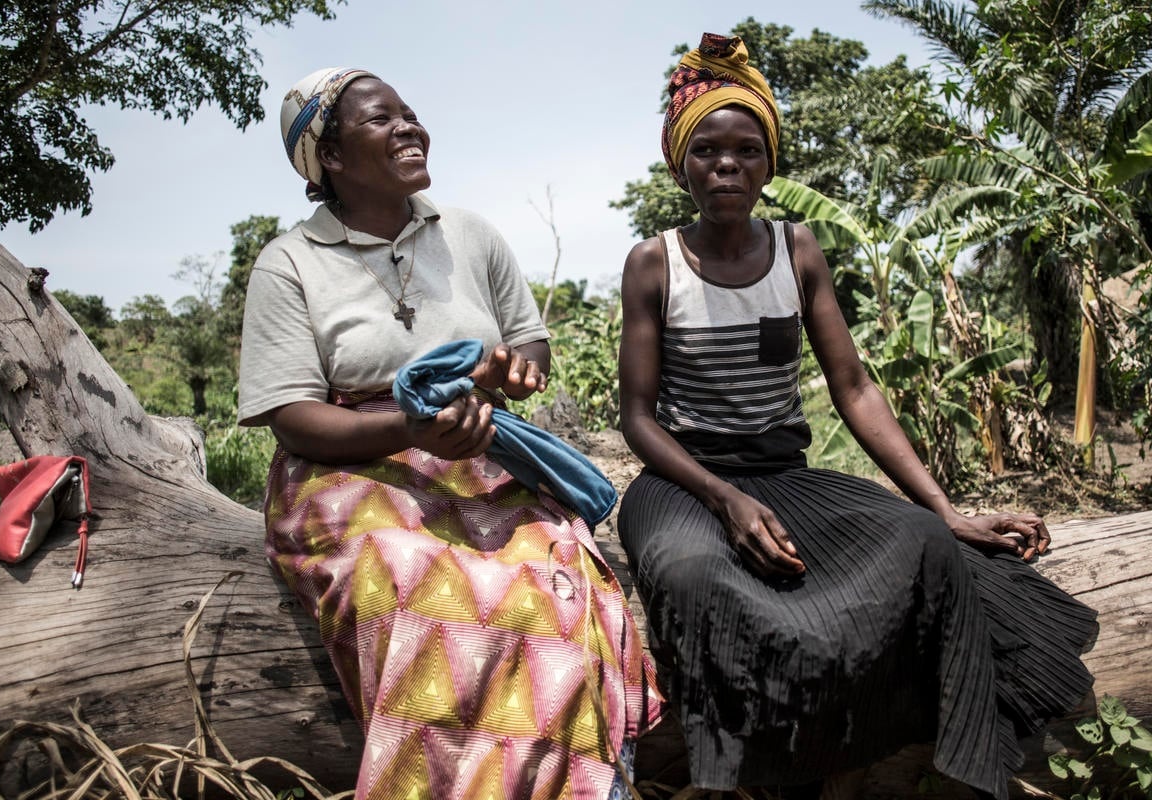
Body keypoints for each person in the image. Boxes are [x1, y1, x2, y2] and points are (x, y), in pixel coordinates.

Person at [616, 33, 1097, 800]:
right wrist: (725, 498)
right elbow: (637, 418)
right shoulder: (654, 262)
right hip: (683, 483)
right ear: (681, 163)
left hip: (785, 476)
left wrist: (942, 507)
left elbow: (856, 389)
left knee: (923, 545)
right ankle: (741, 777)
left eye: (747, 149)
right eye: (706, 150)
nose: (728, 165)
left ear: (770, 163)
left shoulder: (795, 249)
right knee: (690, 574)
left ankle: (910, 759)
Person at [238, 67, 660, 799]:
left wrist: (506, 375)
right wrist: (413, 428)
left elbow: (530, 348)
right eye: (381, 120)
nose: (409, 127)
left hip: (477, 449)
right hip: (349, 470)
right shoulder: (290, 263)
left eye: (410, 113)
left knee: (550, 589)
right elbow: (293, 416)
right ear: (330, 158)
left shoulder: (469, 235)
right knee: (408, 583)